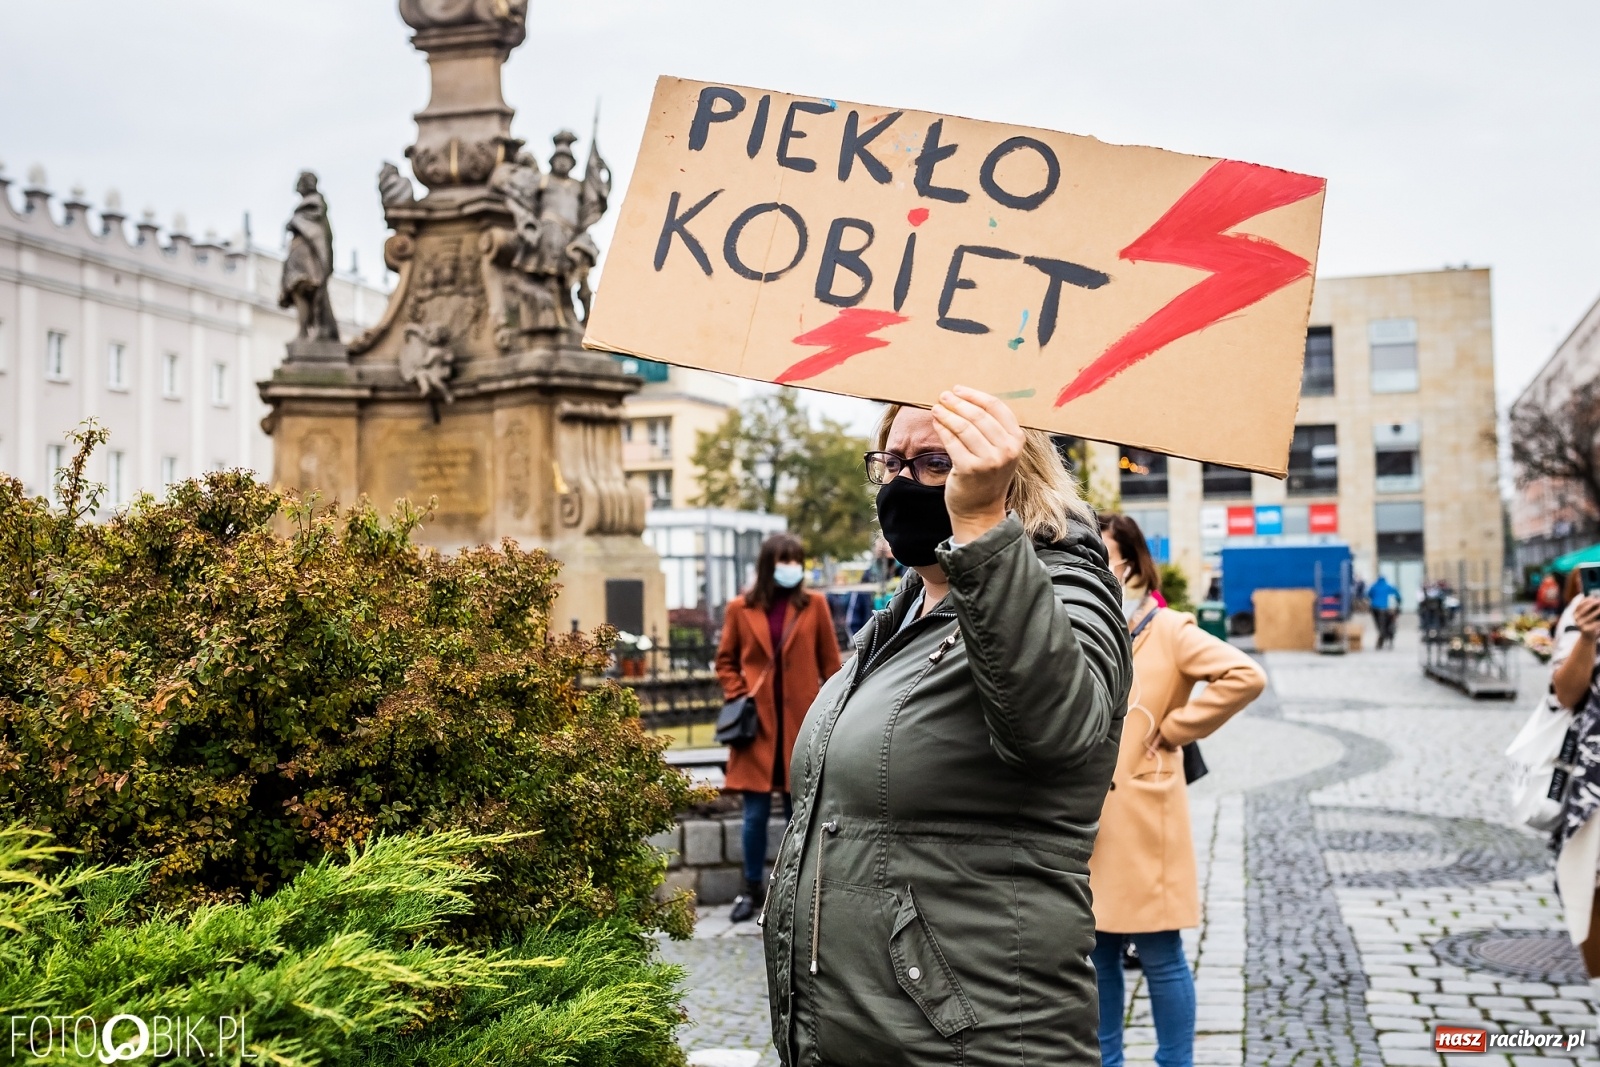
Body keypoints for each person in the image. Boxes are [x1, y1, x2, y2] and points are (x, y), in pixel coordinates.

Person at [761, 386, 1132, 1066]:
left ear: (1007, 466)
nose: (906, 482)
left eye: (935, 461)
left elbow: (1056, 728)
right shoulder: (901, 614)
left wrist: (983, 525)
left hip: (974, 1041)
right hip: (864, 1035)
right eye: (893, 462)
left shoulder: (1064, 586)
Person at [1089, 514, 1267, 1067]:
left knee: (1162, 952)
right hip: (1089, 814)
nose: (1096, 565)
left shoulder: (1168, 629)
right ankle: (1107, 1061)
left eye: (1105, 554)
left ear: (1131, 562)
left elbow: (1245, 675)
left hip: (1145, 811)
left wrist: (1175, 728)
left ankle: (1175, 1062)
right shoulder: (1084, 627)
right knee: (1097, 955)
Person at [715, 533, 841, 924]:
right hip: (757, 728)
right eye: (785, 560)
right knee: (753, 815)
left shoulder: (814, 605)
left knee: (797, 811)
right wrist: (741, 694)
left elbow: (831, 666)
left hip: (801, 725)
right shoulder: (741, 608)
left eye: (796, 560)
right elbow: (725, 661)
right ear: (769, 565)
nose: (792, 567)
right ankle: (750, 888)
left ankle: (794, 889)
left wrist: (831, 710)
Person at [1548, 592, 1600, 972]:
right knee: (1591, 889)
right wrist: (1587, 638)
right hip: (1596, 779)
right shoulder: (1587, 608)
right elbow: (1566, 695)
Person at [1368, 574, 1399, 649]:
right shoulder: (1388, 586)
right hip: (1385, 609)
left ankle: (1381, 639)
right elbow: (1397, 595)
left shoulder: (1374, 586)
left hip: (1375, 608)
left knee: (1379, 625)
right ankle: (1384, 638)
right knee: (1386, 624)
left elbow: (1368, 594)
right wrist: (1398, 602)